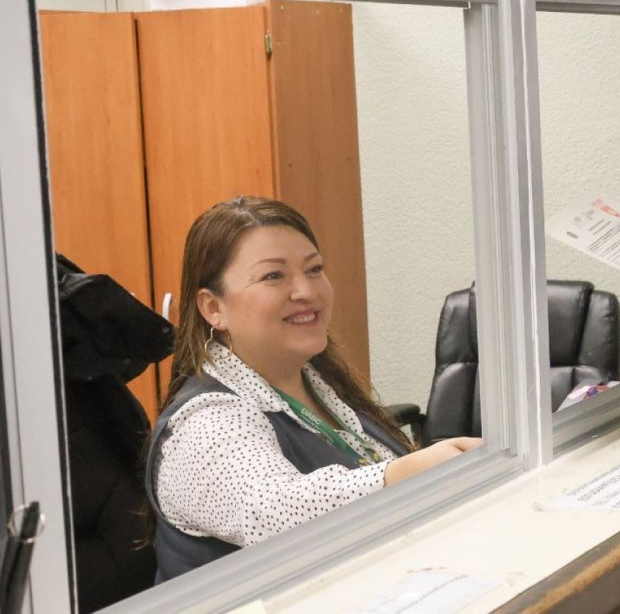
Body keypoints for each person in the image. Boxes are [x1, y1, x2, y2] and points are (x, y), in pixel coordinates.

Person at [146, 196, 482, 581]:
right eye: (274, 276)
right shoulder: (207, 423)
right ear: (212, 308)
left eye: (314, 269)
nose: (305, 290)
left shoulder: (316, 385)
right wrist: (401, 473)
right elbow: (272, 512)